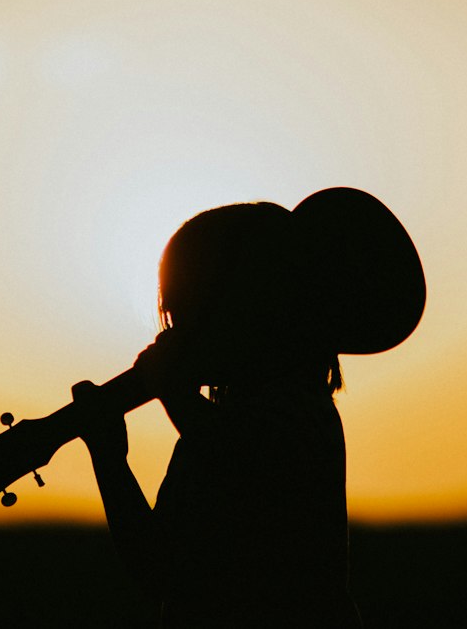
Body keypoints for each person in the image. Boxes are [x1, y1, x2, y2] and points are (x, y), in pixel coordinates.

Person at [71, 202, 364, 627]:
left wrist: (171, 390)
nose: (177, 335)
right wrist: (109, 458)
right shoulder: (211, 431)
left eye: (191, 314)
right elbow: (158, 572)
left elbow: (239, 460)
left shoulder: (295, 415)